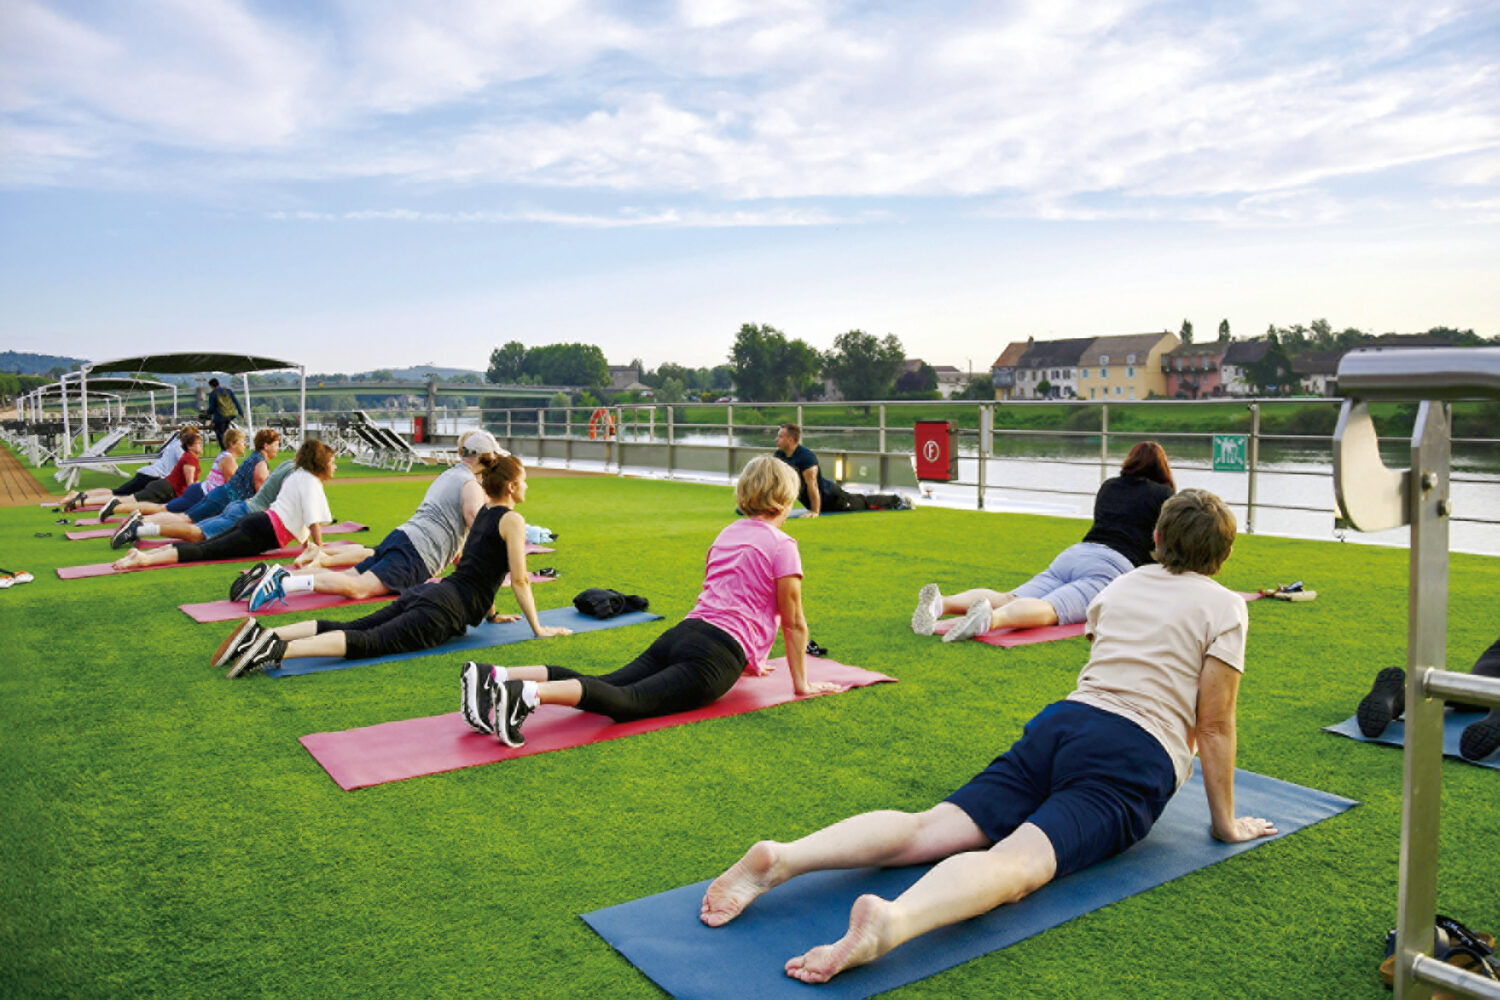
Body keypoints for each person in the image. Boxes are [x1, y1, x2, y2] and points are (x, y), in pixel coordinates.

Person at [700, 488, 1275, 985]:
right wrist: (1224, 824)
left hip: (1063, 725)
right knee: (1018, 864)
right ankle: (893, 922)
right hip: (1132, 756)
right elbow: (1215, 723)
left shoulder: (1119, 588)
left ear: (1156, 535)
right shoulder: (1224, 607)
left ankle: (783, 857)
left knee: (929, 826)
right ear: (1223, 555)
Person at [457, 455, 844, 748]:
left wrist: (753, 660)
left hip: (685, 633)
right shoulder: (783, 545)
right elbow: (793, 622)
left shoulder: (727, 533)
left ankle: (500, 675)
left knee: (605, 683)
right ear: (786, 499)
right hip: (717, 653)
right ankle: (527, 694)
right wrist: (802, 684)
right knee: (629, 701)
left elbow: (729, 595)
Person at [213, 455, 570, 679]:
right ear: (510, 486)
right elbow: (520, 580)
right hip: (444, 608)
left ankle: (268, 634)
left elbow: (477, 565)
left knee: (353, 625)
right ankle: (276, 650)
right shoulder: (513, 520)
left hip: (433, 592)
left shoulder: (485, 514)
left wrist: (491, 614)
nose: (526, 486)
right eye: (524, 481)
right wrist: (538, 628)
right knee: (370, 641)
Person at [917, 440, 1176, 642]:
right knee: (1053, 608)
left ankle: (943, 603)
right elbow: (1160, 544)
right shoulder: (1164, 494)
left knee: (1010, 596)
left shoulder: (1110, 486)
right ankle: (990, 620)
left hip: (1076, 553)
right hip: (1111, 566)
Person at [238, 430, 507, 612]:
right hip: (418, 555)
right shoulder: (470, 485)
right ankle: (283, 581)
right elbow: (477, 529)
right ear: (488, 458)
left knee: (350, 576)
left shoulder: (449, 475)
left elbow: (458, 540)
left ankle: (279, 576)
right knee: (357, 588)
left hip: (403, 538)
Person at [110, 439, 334, 573]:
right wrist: (319, 549)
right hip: (261, 528)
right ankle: (145, 557)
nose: (334, 467)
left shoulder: (298, 474)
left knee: (203, 541)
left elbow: (298, 514)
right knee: (203, 547)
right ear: (320, 463)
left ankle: (143, 552)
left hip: (256, 520)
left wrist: (308, 545)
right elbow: (313, 521)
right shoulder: (310, 481)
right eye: (332, 462)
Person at [110, 429, 278, 548]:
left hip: (215, 494)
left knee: (183, 517)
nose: (278, 448)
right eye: (276, 444)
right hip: (219, 498)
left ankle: (138, 521)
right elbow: (260, 490)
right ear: (266, 445)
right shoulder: (257, 463)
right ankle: (139, 523)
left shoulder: (251, 458)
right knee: (185, 519)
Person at [1356, 635, 1500, 761]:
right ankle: (1497, 715)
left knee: (1478, 690)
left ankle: (1403, 695)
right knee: (1487, 693)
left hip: (1493, 657)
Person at [774, 424, 911, 516]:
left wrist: (815, 512)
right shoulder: (779, 455)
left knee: (863, 503)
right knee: (858, 499)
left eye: (780, 437)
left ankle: (898, 500)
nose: (776, 440)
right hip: (814, 501)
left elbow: (813, 485)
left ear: (791, 440)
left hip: (832, 499)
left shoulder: (806, 457)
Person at [60, 425, 195, 510]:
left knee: (118, 492)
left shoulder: (175, 443)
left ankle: (80, 495)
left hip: (148, 474)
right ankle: (81, 497)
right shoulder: (180, 449)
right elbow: (185, 467)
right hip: (152, 477)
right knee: (119, 494)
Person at [87, 429, 204, 520]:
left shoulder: (188, 457)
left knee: (141, 503)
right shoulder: (189, 459)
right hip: (164, 488)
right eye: (198, 443)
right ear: (189, 446)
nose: (201, 445)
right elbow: (190, 484)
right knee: (134, 500)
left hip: (163, 486)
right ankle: (115, 505)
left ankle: (116, 505)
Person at [206, 377, 243, 450]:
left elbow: (212, 408)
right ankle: (229, 449)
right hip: (230, 416)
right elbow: (236, 402)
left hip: (219, 418)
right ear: (218, 383)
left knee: (220, 435)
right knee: (226, 433)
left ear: (211, 386)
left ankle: (225, 451)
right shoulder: (228, 391)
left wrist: (207, 413)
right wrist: (241, 412)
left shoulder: (213, 394)